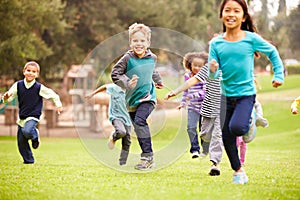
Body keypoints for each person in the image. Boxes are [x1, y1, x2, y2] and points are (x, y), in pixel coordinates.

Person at [166, 0, 284, 184]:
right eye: (227, 10)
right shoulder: (216, 43)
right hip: (224, 95)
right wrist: (212, 68)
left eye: (236, 11)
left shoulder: (250, 39)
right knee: (226, 134)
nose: (231, 14)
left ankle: (250, 120)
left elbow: (272, 52)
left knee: (236, 128)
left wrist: (278, 75)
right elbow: (212, 74)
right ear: (221, 15)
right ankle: (238, 171)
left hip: (245, 93)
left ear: (243, 16)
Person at [111, 23, 164, 170]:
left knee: (141, 121)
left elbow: (153, 70)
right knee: (139, 128)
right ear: (130, 43)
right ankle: (148, 157)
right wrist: (127, 82)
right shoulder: (127, 58)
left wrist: (158, 81)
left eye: (142, 41)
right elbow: (115, 74)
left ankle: (147, 156)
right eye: (135, 41)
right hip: (131, 100)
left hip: (148, 98)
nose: (139, 44)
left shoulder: (152, 57)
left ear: (148, 42)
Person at [1, 61, 63, 164]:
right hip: (22, 117)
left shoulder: (39, 87)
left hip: (33, 116)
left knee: (27, 131)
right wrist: (5, 98)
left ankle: (35, 134)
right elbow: (9, 98)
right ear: (24, 72)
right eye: (28, 70)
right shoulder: (18, 85)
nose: (30, 73)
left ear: (37, 74)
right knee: (21, 142)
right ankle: (29, 161)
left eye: (33, 71)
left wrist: (59, 105)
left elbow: (53, 95)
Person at [85, 83, 131, 166]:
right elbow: (104, 87)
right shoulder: (115, 88)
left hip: (128, 119)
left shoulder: (132, 91)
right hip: (116, 116)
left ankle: (122, 163)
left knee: (127, 141)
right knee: (121, 132)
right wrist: (92, 94)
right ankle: (113, 137)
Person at [177, 52, 208, 159]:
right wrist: (182, 103)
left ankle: (205, 149)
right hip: (192, 108)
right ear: (190, 65)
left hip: (204, 107)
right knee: (191, 127)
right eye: (195, 65)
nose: (197, 68)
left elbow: (205, 92)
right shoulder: (187, 76)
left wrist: (193, 95)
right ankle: (195, 149)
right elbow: (186, 91)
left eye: (200, 66)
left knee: (203, 129)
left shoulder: (204, 77)